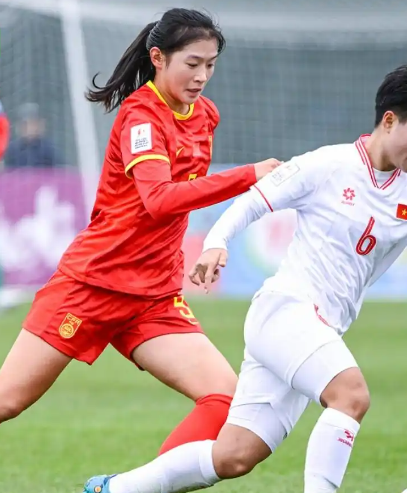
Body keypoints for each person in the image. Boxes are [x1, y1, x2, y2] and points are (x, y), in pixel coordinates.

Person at [83, 64, 407, 493]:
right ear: (390, 121)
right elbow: (255, 199)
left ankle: (114, 489)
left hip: (317, 331)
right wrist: (216, 240)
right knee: (351, 395)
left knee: (234, 456)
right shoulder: (328, 164)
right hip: (285, 312)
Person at [0, 7, 280, 456]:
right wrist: (248, 174)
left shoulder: (205, 115)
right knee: (7, 401)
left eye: (210, 65)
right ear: (158, 58)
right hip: (93, 284)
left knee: (226, 398)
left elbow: (182, 197)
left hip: (153, 295)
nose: (202, 76)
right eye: (192, 63)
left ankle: (128, 487)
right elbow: (160, 200)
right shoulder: (142, 117)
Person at [4, 103, 62, 168]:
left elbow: (61, 170)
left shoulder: (49, 149)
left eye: (32, 123)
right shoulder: (12, 149)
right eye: (24, 124)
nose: (29, 128)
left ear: (40, 124)